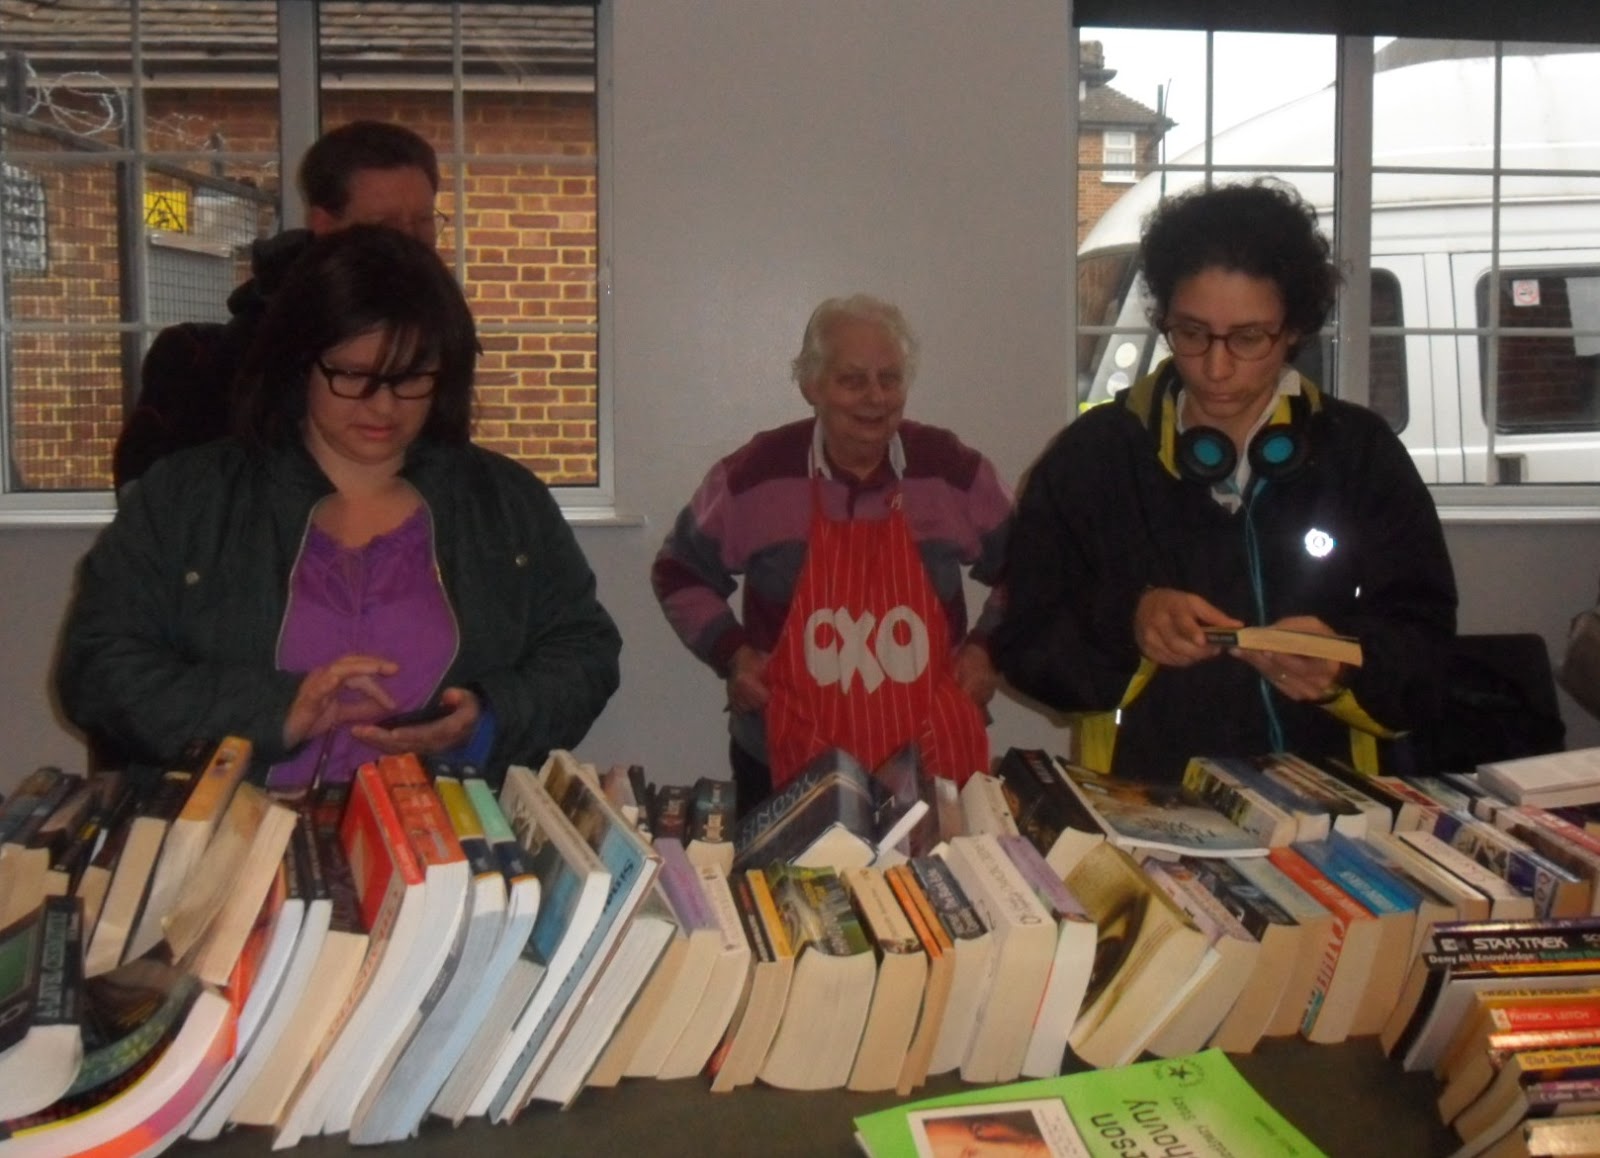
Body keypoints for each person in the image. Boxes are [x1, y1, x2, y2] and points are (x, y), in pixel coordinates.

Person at [59, 225, 621, 791]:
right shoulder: (187, 497)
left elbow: (583, 652)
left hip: (445, 825)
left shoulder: (506, 502)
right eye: (353, 375)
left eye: (412, 377)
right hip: (231, 826)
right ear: (299, 363)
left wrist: (487, 718)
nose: (384, 407)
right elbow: (97, 670)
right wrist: (275, 711)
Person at [989, 180, 1457, 783]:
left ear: (1294, 328)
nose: (1216, 366)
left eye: (1248, 338)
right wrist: (1130, 623)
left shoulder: (1359, 453)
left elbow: (1427, 654)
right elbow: (1026, 646)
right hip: (1143, 802)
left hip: (1332, 808)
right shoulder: (1095, 456)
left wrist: (1345, 665)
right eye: (1191, 333)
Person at [652, 294, 1012, 811]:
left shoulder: (948, 469)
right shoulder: (756, 474)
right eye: (852, 380)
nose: (875, 398)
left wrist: (987, 650)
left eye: (890, 379)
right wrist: (733, 654)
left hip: (932, 755)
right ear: (811, 385)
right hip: (786, 757)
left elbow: (1034, 567)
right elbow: (678, 571)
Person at [113, 119, 446, 492]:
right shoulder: (225, 363)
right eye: (384, 223)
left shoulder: (444, 336)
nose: (410, 240)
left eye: (423, 220)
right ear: (324, 224)